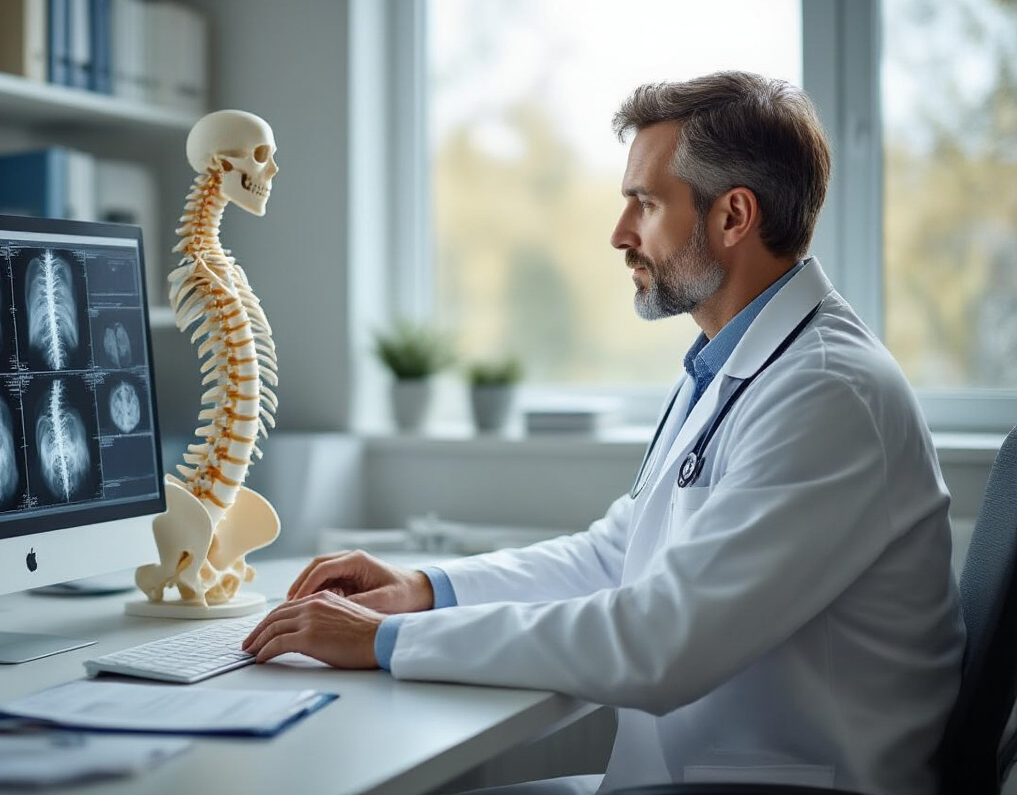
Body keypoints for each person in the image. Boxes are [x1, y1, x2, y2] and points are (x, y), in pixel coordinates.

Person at [243, 71, 965, 794]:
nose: (620, 235)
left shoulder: (827, 392)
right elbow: (616, 555)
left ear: (733, 217)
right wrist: (422, 589)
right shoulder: (731, 365)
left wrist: (383, 641)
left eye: (645, 205)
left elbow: (660, 641)